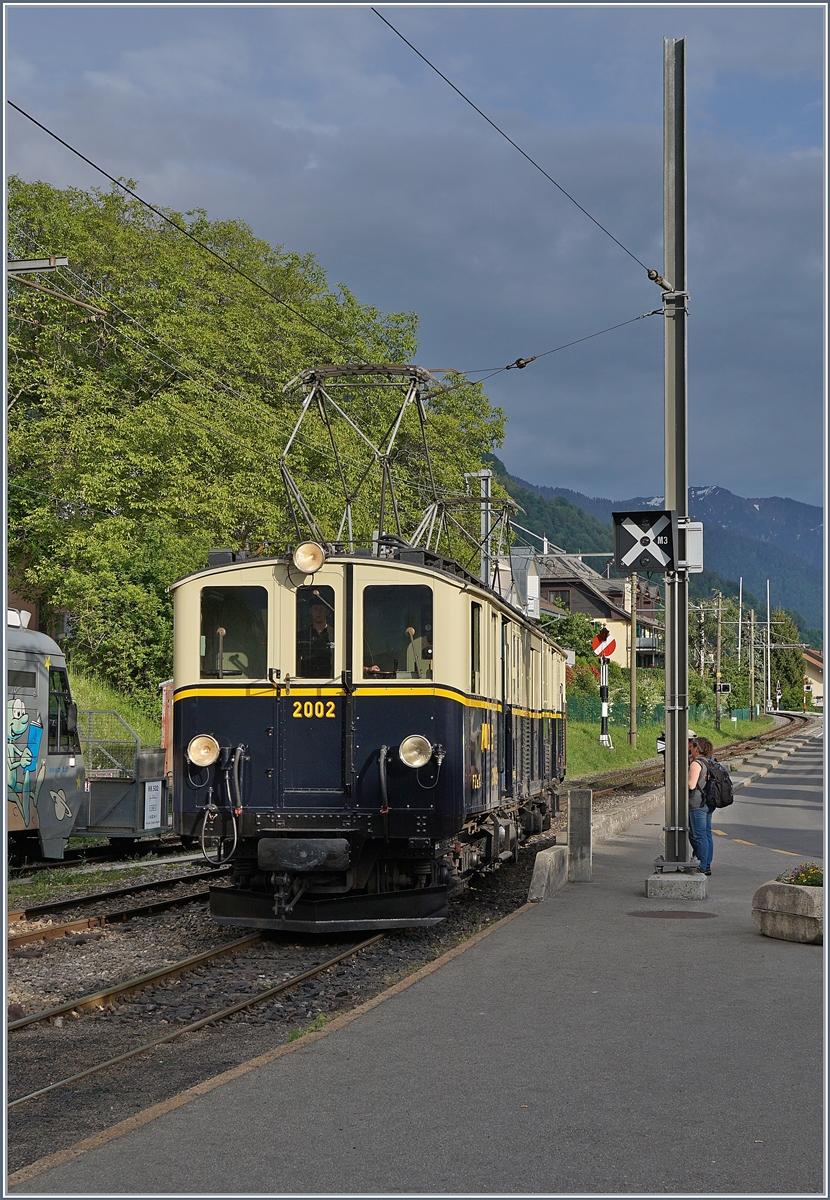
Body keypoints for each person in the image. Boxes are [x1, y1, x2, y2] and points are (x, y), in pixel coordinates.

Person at [688, 735, 714, 876]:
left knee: (698, 836)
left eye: (693, 746)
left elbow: (691, 785)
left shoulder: (696, 764)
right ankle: (707, 865)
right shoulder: (710, 761)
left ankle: (702, 865)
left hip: (697, 803)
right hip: (709, 802)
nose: (691, 748)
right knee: (707, 834)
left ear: (697, 748)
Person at [297, 597, 334, 678]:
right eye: (316, 609)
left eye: (321, 609)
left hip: (331, 680)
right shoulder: (301, 636)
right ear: (311, 611)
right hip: (305, 680)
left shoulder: (336, 634)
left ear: (327, 612)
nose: (318, 612)